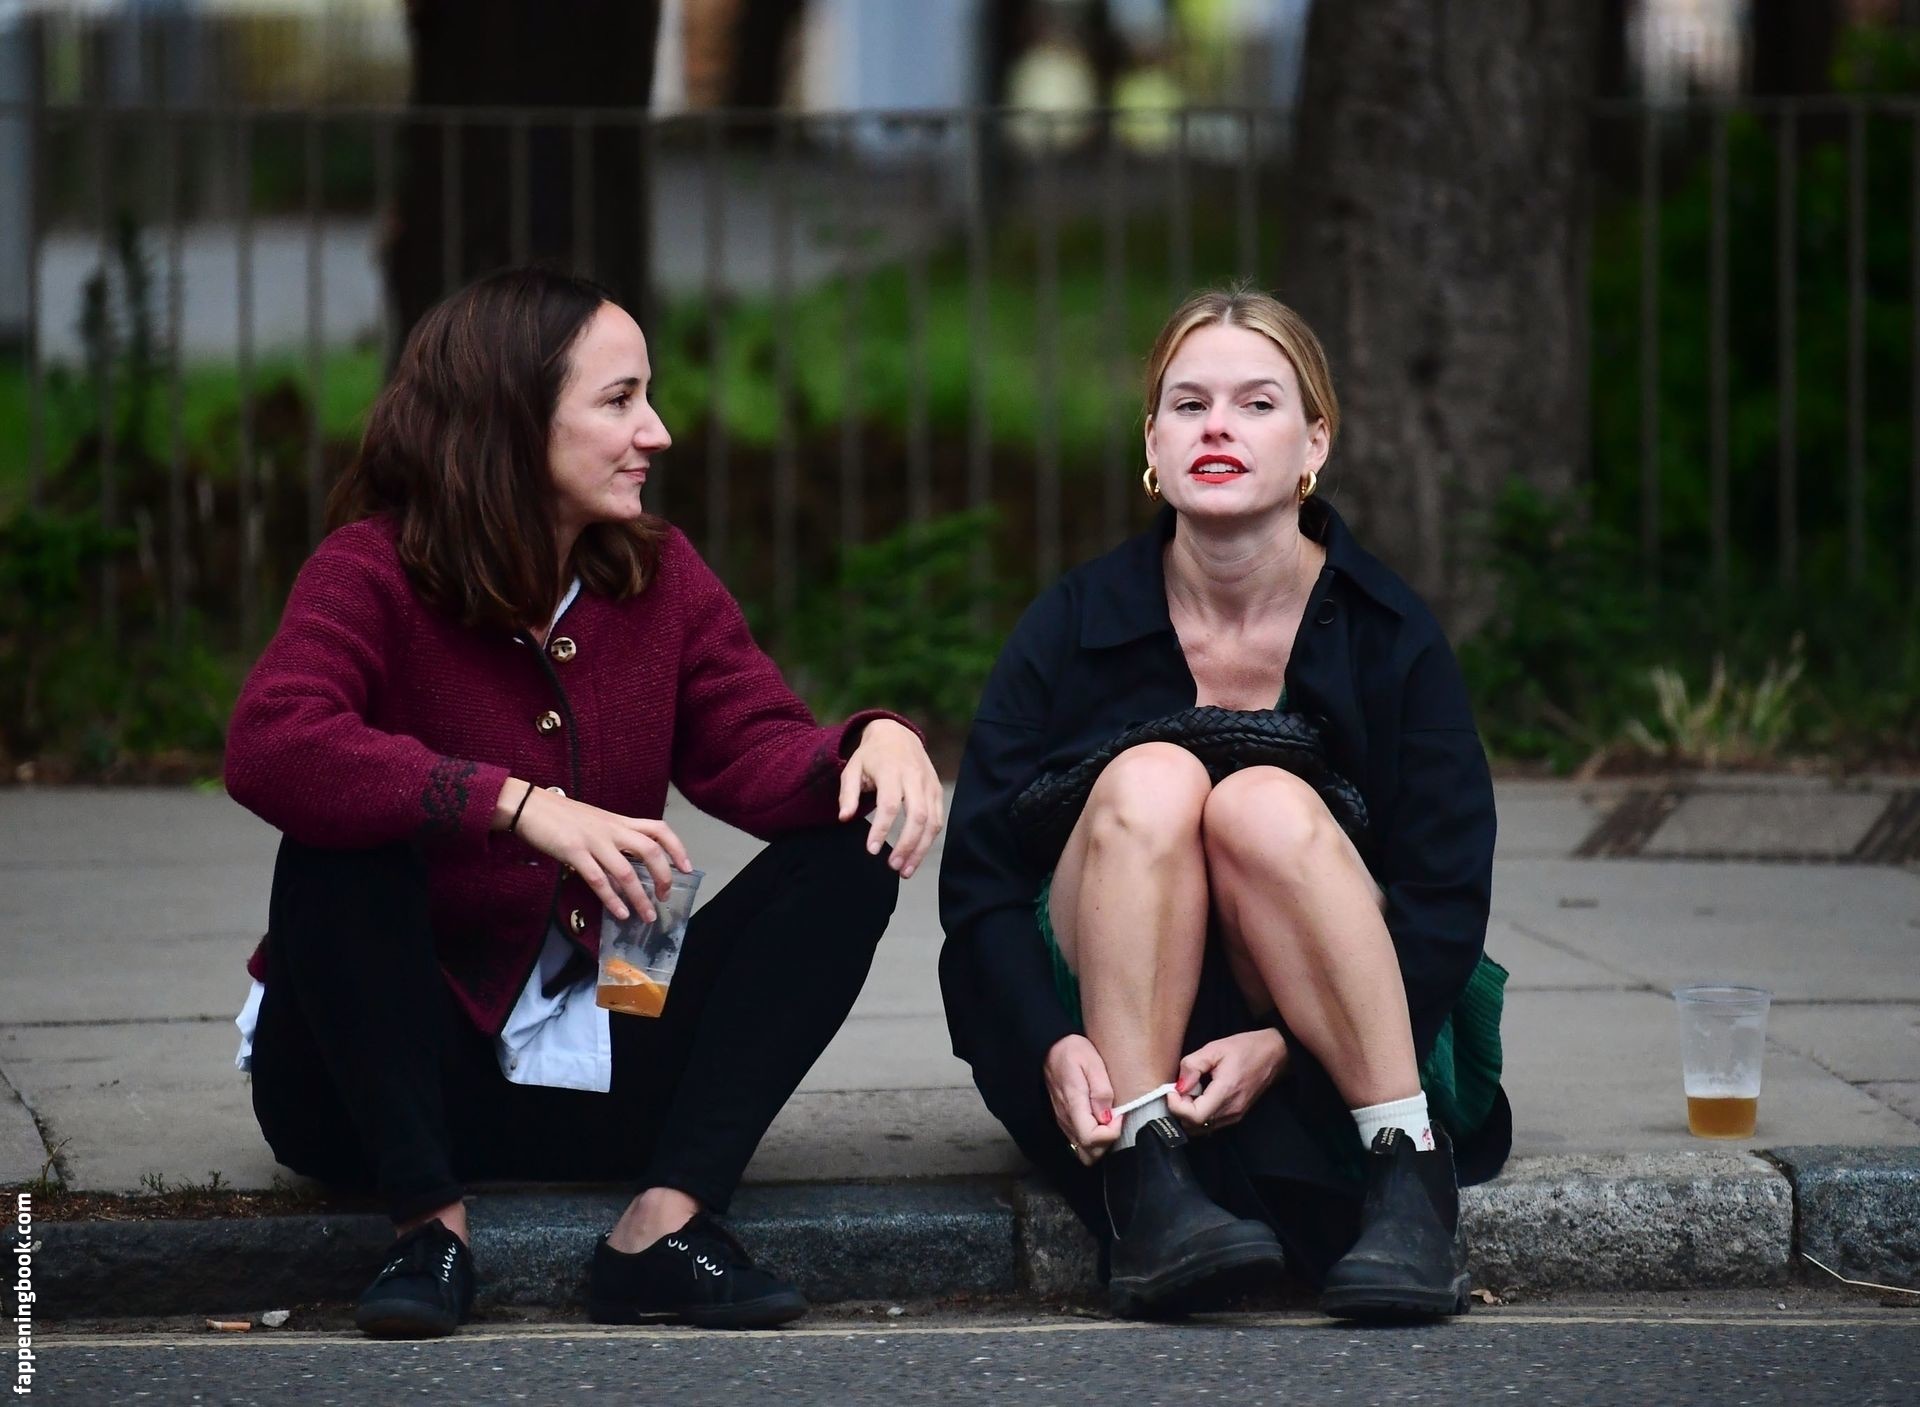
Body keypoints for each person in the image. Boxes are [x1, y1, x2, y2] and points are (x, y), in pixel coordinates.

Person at [224, 267, 944, 1338]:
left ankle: (668, 1224)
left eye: (648, 397)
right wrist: (514, 803)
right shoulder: (368, 570)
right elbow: (270, 742)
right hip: (374, 1086)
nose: (656, 432)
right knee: (335, 839)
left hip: (616, 1046)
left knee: (851, 847)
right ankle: (427, 1229)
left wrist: (869, 742)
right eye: (619, 401)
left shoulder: (657, 575)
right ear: (511, 422)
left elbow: (755, 747)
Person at [939, 287, 1509, 1321]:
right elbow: (979, 889)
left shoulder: (1387, 633)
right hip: (1110, 1032)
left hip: (1348, 1025)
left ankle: (1406, 1167)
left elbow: (1445, 898)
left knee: (1259, 804)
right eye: (1189, 404)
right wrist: (1047, 1043)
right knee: (1153, 775)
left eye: (1256, 403)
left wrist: (1288, 1048)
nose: (1217, 428)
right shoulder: (1071, 624)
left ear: (1314, 443)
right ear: (1152, 444)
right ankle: (1148, 1184)